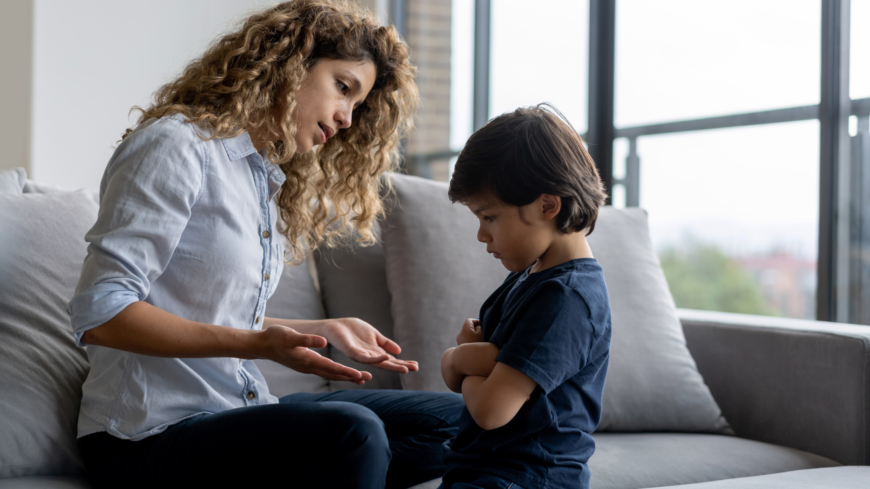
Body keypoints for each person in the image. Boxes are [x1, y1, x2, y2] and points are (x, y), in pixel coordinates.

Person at [68, 1, 462, 488]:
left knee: (459, 422)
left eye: (356, 107)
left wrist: (321, 328)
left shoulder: (264, 179)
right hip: (144, 437)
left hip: (236, 409)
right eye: (343, 88)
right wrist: (259, 344)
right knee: (354, 436)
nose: (344, 118)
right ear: (290, 62)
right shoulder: (176, 147)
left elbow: (204, 307)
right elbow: (103, 311)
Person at [439, 104, 612, 489]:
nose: (482, 235)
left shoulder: (567, 300)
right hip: (488, 469)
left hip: (527, 478)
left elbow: (488, 409)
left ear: (547, 205)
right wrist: (469, 361)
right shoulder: (530, 275)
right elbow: (460, 379)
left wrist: (461, 354)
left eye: (489, 217)